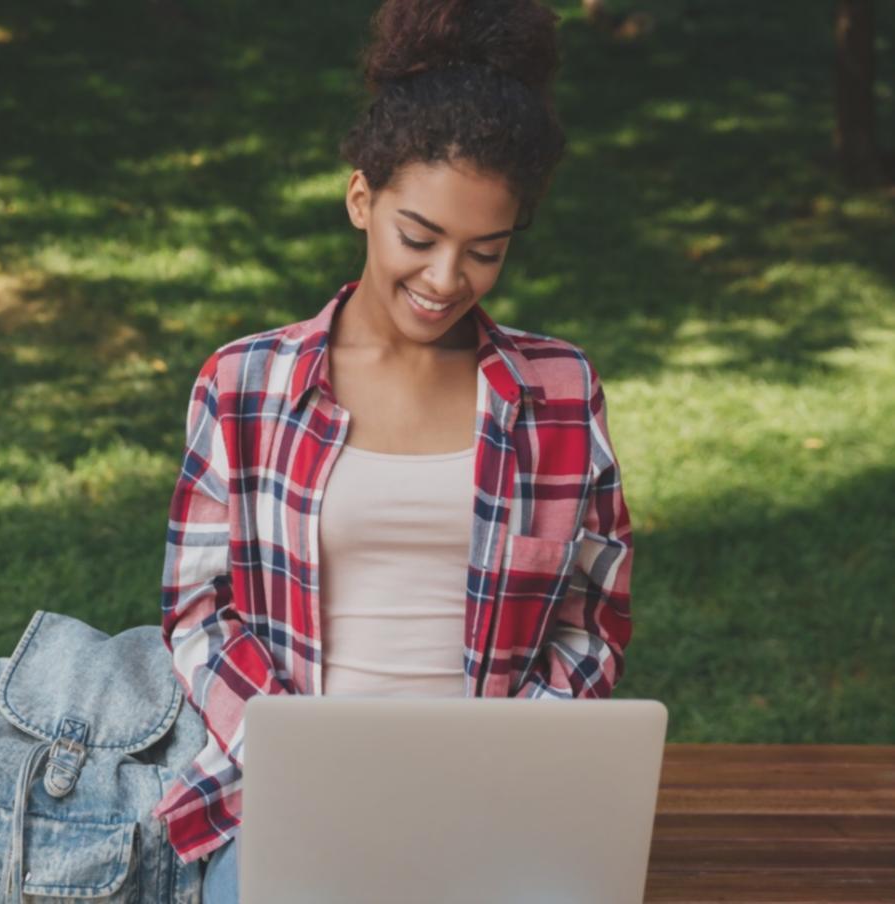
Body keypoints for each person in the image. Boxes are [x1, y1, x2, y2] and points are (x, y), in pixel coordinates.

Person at [148, 1, 636, 900]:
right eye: (419, 238)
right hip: (288, 794)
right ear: (361, 199)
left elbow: (590, 621)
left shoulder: (559, 394)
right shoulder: (243, 384)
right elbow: (198, 612)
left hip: (501, 797)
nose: (445, 279)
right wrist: (296, 754)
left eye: (483, 252)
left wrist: (508, 758)